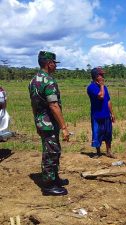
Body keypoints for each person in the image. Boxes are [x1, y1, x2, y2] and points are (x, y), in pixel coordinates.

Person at [29, 51, 70, 196]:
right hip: (49, 123)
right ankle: (48, 185)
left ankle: (54, 177)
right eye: (54, 63)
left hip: (41, 121)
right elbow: (53, 105)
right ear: (49, 63)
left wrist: (37, 122)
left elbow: (35, 105)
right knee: (51, 152)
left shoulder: (34, 80)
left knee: (53, 149)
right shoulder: (48, 81)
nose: (55, 66)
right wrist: (64, 127)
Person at [87, 67, 115, 158]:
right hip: (97, 115)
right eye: (101, 75)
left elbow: (108, 101)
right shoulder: (91, 87)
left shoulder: (104, 87)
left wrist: (112, 113)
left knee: (108, 133)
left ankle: (108, 151)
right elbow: (101, 96)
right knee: (97, 133)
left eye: (103, 75)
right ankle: (98, 152)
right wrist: (102, 85)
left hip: (106, 114)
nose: (103, 77)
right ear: (96, 76)